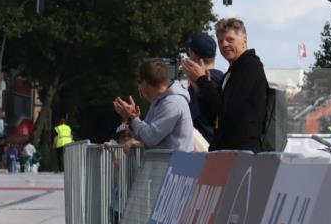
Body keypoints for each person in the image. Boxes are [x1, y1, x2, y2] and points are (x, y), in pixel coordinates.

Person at [181, 18, 270, 152]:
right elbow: (216, 116)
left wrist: (202, 80)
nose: (224, 44)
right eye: (220, 41)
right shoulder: (232, 71)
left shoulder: (250, 66)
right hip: (227, 150)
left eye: (230, 39)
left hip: (240, 153)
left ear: (244, 41)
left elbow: (227, 109)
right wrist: (201, 90)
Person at [113, 59, 194, 151]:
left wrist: (132, 117)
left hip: (173, 164)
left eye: (139, 82)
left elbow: (150, 138)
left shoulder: (172, 103)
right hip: (167, 163)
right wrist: (132, 119)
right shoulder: (161, 101)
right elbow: (144, 136)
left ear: (144, 83)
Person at [183, 32, 224, 147]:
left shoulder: (200, 82)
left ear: (195, 57)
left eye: (189, 53)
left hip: (204, 150)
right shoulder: (222, 78)